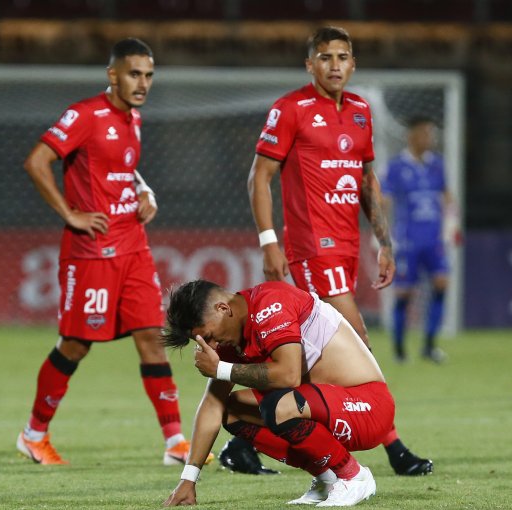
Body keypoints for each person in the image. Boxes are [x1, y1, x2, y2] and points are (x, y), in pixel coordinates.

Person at [244, 25, 433, 476]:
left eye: (342, 57)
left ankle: (246, 435)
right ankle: (394, 449)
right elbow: (260, 177)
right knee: (357, 345)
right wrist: (270, 241)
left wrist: (384, 242)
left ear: (353, 63)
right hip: (312, 247)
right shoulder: (291, 109)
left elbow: (367, 181)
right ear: (310, 65)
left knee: (308, 359)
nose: (334, 65)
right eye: (325, 57)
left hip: (347, 247)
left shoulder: (362, 112)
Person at [18, 38, 208, 467]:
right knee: (75, 345)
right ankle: (33, 435)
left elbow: (120, 167)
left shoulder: (133, 118)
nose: (142, 83)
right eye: (133, 74)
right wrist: (70, 213)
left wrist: (144, 192)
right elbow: (36, 161)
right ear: (113, 75)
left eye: (148, 75)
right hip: (92, 252)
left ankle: (176, 442)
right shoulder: (85, 114)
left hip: (133, 246)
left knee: (153, 339)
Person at [162, 279, 394, 507]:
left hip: (368, 407)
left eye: (209, 336)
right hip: (325, 407)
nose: (210, 347)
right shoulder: (232, 335)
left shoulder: (271, 304)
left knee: (279, 406)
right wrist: (188, 479)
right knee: (232, 410)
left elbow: (288, 375)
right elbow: (213, 405)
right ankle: (328, 478)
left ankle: (353, 477)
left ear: (223, 309)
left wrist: (221, 369)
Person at [382, 116, 460, 363]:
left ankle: (429, 346)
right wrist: (384, 233)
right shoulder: (396, 167)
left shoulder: (437, 165)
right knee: (404, 294)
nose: (430, 139)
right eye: (425, 133)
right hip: (407, 240)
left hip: (434, 239)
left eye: (432, 134)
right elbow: (384, 201)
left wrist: (452, 224)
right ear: (412, 136)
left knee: (441, 284)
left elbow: (448, 197)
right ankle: (399, 350)